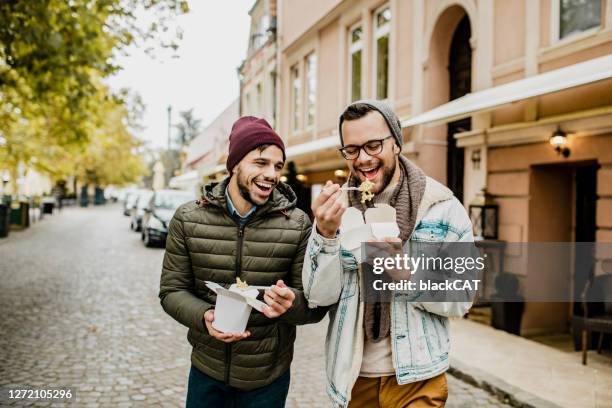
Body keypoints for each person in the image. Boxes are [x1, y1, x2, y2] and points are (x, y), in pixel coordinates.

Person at [302, 100, 475, 408]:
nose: (363, 158)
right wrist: (325, 235)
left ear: (396, 143)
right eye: (352, 149)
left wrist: (409, 274)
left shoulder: (443, 208)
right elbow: (318, 295)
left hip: (418, 377)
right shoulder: (336, 211)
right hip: (355, 379)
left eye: (373, 145)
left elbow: (463, 296)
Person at [160, 116, 326, 408]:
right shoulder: (188, 219)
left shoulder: (298, 224)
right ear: (234, 163)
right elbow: (171, 291)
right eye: (260, 163)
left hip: (268, 377)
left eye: (277, 166)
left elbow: (314, 306)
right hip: (206, 370)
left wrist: (291, 304)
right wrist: (204, 316)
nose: (271, 174)